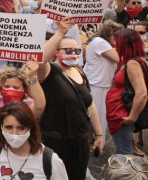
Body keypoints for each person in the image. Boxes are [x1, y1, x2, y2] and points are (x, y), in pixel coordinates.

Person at [37, 18, 104, 180]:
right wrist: (60, 32)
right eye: (68, 50)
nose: (73, 54)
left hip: (79, 140)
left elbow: (90, 105)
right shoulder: (48, 72)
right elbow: (41, 60)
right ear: (56, 51)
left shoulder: (79, 72)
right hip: (54, 140)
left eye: (77, 51)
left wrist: (100, 135)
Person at [0, 102, 68, 180]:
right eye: (9, 127)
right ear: (1, 127)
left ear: (30, 128)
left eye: (21, 128)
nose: (14, 133)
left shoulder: (50, 160)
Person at [106, 28, 148, 154]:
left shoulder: (132, 63)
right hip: (119, 112)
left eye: (116, 43)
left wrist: (132, 118)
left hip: (121, 114)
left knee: (124, 153)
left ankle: (125, 174)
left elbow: (142, 94)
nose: (114, 46)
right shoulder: (137, 60)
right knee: (124, 148)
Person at [83, 20, 120, 139]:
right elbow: (118, 58)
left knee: (96, 115)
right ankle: (93, 142)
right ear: (110, 34)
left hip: (100, 82)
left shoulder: (100, 42)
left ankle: (91, 141)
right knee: (95, 115)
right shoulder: (101, 42)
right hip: (97, 84)